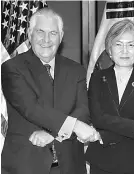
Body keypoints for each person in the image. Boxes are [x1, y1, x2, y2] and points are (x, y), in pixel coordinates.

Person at [1, 8, 97, 174]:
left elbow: (83, 110)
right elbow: (31, 108)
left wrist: (54, 135)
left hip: (70, 165)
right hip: (26, 166)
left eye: (53, 33)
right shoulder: (12, 68)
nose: (46, 39)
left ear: (61, 36)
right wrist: (73, 125)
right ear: (30, 34)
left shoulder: (76, 70)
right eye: (40, 32)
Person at [85, 19, 134, 174]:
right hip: (101, 162)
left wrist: (102, 135)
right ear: (110, 50)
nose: (124, 50)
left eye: (131, 45)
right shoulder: (97, 78)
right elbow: (97, 117)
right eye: (118, 44)